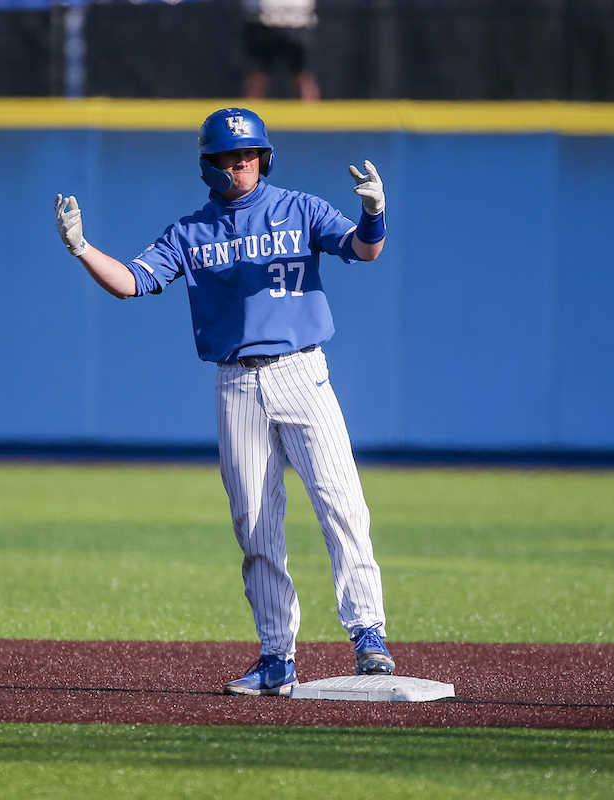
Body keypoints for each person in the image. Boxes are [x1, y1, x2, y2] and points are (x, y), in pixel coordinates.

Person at [54, 107, 391, 697]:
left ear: (264, 156)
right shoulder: (191, 231)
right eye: (231, 158)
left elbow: (363, 251)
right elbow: (134, 281)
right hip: (235, 383)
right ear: (209, 166)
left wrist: (373, 211)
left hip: (302, 372)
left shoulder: (301, 208)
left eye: (250, 155)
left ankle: (368, 634)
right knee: (256, 524)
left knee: (342, 504)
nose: (243, 165)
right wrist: (83, 249)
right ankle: (276, 655)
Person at [241, 0, 320, 102]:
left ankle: (310, 116)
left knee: (303, 76)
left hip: (298, 20)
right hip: (261, 20)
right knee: (256, 77)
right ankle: (249, 117)